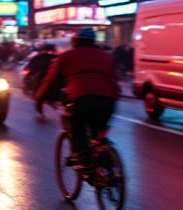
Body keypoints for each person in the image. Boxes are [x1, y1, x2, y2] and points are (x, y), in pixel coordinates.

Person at [34, 28, 121, 165]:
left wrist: (40, 98)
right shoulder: (106, 57)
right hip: (108, 102)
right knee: (98, 132)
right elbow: (115, 80)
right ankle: (104, 159)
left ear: (75, 41)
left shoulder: (66, 56)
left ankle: (81, 157)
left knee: (75, 124)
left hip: (82, 99)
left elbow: (50, 81)